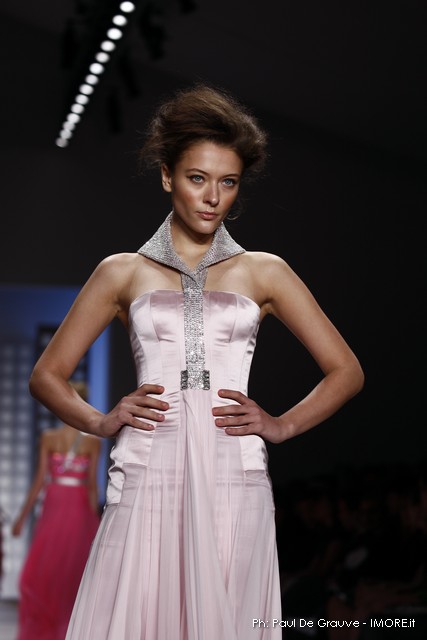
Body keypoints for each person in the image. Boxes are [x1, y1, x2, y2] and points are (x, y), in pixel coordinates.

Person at [28, 84, 364, 640]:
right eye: (197, 178)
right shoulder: (121, 272)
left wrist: (281, 425)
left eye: (228, 182)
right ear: (167, 176)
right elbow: (47, 375)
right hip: (147, 468)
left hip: (233, 472)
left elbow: (346, 370)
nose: (212, 197)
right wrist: (101, 422)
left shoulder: (265, 271)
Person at [12, 380, 101, 640]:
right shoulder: (93, 442)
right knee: (73, 569)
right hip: (78, 507)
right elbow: (92, 486)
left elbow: (39, 481)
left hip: (55, 503)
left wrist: (21, 518)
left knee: (46, 568)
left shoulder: (50, 438)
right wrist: (98, 523)